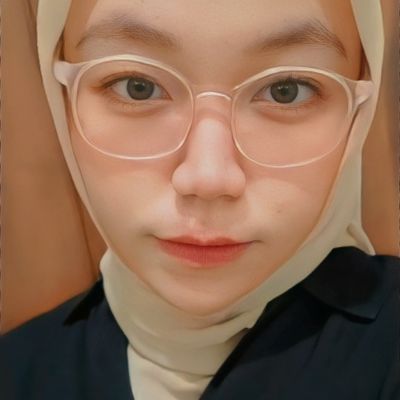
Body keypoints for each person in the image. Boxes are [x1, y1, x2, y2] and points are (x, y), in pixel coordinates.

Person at [1, 0, 399, 399]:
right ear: (62, 101)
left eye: (286, 91)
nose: (208, 178)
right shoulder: (16, 372)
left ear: (358, 113)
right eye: (137, 86)